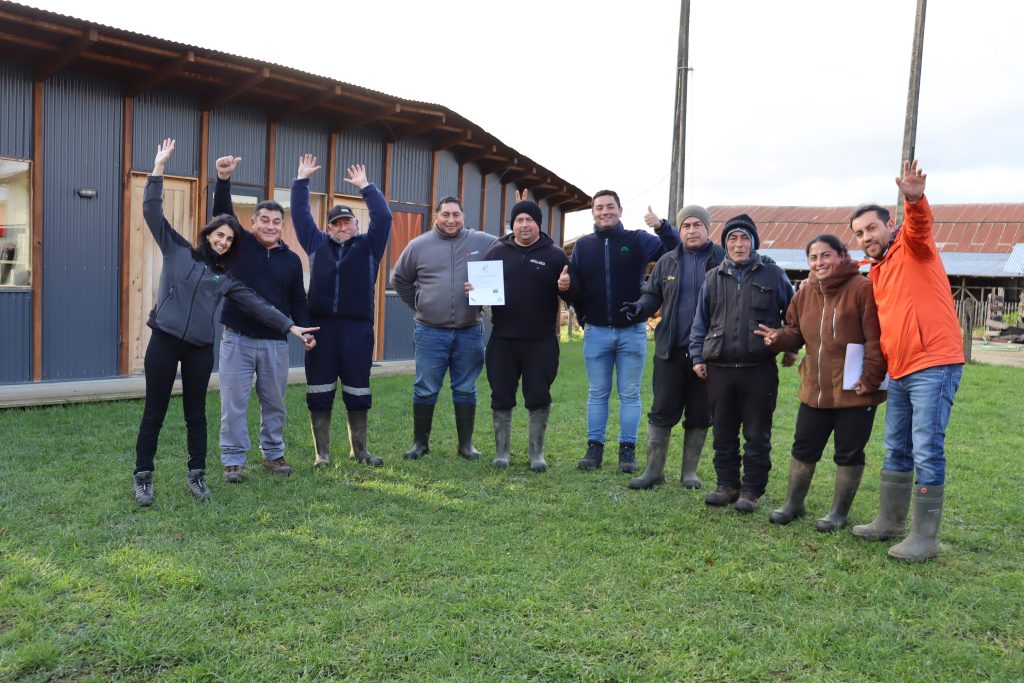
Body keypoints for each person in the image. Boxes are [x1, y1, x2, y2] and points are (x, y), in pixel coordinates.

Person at [132, 138, 317, 506]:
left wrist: (292, 327)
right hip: (165, 341)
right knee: (154, 412)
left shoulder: (225, 278)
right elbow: (152, 210)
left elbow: (260, 306)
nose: (222, 242)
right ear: (208, 235)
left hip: (200, 349)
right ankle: (143, 477)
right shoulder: (177, 250)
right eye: (218, 235)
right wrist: (158, 168)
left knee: (196, 415)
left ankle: (197, 476)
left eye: (229, 239)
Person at [849, 160, 964, 562]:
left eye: (872, 228)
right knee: (895, 446)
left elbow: (919, 225)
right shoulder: (877, 270)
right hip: (900, 370)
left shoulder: (914, 246)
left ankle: (925, 538)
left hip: (934, 363)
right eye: (859, 233)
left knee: (926, 448)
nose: (867, 237)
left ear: (889, 224)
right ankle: (890, 521)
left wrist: (915, 199)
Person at [755, 234, 887, 530]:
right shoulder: (804, 292)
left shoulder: (863, 289)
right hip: (814, 389)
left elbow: (876, 339)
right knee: (803, 447)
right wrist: (778, 338)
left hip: (855, 390)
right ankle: (793, 504)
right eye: (813, 258)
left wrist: (870, 378)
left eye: (825, 255)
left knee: (848, 452)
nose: (819, 262)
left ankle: (838, 514)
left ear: (842, 255)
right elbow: (795, 332)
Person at [211, 156, 311, 482]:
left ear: (283, 226)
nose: (270, 226)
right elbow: (222, 215)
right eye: (264, 220)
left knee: (274, 404)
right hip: (237, 338)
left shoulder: (292, 261)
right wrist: (223, 179)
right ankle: (233, 460)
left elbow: (298, 300)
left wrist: (305, 330)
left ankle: (273, 455)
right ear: (252, 223)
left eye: (276, 221)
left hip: (274, 343)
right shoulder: (239, 245)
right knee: (233, 404)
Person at [564, 191, 680, 472]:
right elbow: (576, 287)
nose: (605, 212)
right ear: (593, 212)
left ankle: (627, 451)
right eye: (599, 208)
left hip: (632, 331)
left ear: (620, 210)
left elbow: (675, 250)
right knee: (597, 393)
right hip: (596, 332)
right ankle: (594, 449)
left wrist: (661, 226)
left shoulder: (638, 239)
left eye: (610, 207)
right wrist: (570, 297)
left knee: (630, 394)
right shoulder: (583, 246)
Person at [289, 156, 393, 469]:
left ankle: (359, 451)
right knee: (319, 391)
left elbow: (384, 217)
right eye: (336, 223)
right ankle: (322, 454)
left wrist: (365, 187)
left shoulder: (370, 246)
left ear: (357, 225)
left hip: (357, 331)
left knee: (358, 390)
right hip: (321, 330)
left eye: (347, 222)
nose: (342, 227)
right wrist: (301, 182)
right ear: (329, 228)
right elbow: (300, 215)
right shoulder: (316, 244)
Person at [690, 214, 796, 513]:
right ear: (725, 244)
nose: (738, 244)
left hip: (759, 370)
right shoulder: (712, 277)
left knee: (757, 434)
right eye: (733, 239)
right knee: (722, 432)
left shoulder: (773, 275)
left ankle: (751, 490)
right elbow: (700, 321)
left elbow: (793, 316)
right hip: (719, 369)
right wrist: (697, 356)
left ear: (753, 243)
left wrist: (789, 345)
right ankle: (727, 485)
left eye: (744, 238)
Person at [620, 205, 724, 490]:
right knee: (662, 409)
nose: (692, 230)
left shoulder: (722, 258)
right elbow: (652, 295)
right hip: (670, 349)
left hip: (708, 353)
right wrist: (639, 308)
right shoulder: (667, 261)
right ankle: (653, 470)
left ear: (708, 228)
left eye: (697, 225)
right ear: (680, 231)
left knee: (700, 413)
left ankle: (689, 473)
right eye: (686, 226)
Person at [392, 196, 498, 461]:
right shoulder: (418, 246)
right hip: (429, 331)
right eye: (445, 215)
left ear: (463, 216)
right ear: (436, 216)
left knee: (465, 388)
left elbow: (512, 249)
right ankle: (420, 444)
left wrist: (487, 290)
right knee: (425, 387)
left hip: (469, 330)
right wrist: (420, 302)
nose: (451, 220)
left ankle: (466, 445)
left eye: (456, 215)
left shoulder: (482, 241)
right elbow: (399, 279)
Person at [480, 194, 572, 472]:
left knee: (538, 395)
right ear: (512, 224)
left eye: (529, 220)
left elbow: (573, 294)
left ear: (538, 224)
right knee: (501, 395)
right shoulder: (496, 252)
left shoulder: (555, 255)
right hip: (503, 339)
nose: (523, 225)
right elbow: (483, 294)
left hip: (541, 341)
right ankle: (502, 452)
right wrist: (474, 291)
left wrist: (567, 287)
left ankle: (536, 454)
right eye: (518, 220)